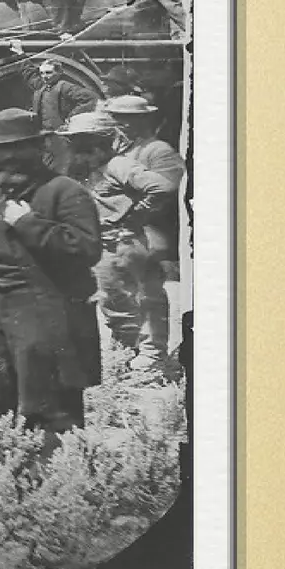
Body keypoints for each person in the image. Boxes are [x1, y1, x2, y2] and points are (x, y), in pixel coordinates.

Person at [0, 108, 104, 438]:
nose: (5, 158)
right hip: (1, 314)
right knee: (4, 403)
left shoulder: (65, 191)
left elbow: (86, 248)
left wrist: (27, 223)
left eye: (14, 148)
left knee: (48, 406)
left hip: (49, 316)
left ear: (36, 149)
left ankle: (56, 484)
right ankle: (12, 480)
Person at [63, 109, 180, 381]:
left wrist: (134, 214)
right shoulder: (86, 168)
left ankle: (152, 362)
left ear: (99, 141)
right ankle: (131, 357)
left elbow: (162, 187)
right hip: (101, 245)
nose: (75, 148)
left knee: (144, 300)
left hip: (124, 242)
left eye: (82, 142)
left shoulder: (119, 165)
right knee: (115, 304)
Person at [27, 56, 99, 132]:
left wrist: (71, 119)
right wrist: (20, 54)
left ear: (59, 72)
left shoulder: (65, 87)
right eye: (42, 73)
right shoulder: (41, 87)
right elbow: (28, 73)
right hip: (42, 132)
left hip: (59, 134)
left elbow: (91, 98)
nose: (44, 77)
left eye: (48, 73)